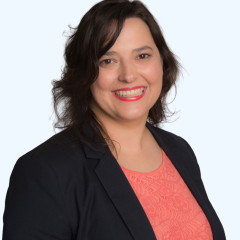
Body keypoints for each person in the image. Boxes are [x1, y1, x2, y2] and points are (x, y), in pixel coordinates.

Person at [2, 0, 226, 239]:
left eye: (142, 55)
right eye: (107, 60)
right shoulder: (45, 172)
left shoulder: (179, 151)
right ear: (84, 72)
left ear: (162, 62)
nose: (129, 75)